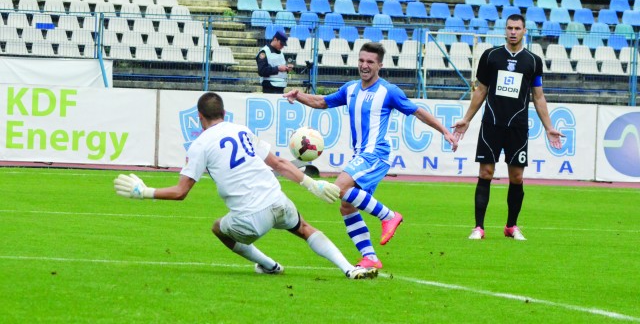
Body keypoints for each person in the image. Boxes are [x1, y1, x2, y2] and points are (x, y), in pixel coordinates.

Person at [113, 92, 378, 280]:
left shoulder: (200, 144)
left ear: (199, 117)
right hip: (278, 200)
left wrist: (143, 192)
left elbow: (181, 192)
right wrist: (312, 185)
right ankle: (348, 268)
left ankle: (270, 265)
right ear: (224, 113)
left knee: (218, 228)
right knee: (305, 228)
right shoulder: (241, 130)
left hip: (250, 219)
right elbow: (278, 163)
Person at [284, 42, 459, 269]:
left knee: (341, 188)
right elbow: (322, 102)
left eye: (370, 62)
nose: (364, 66)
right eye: (361, 60)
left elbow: (418, 112)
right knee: (347, 205)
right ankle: (370, 257)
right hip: (362, 154)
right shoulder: (351, 89)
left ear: (380, 65)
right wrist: (299, 96)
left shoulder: (389, 91)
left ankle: (389, 216)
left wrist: (445, 131)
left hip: (376, 153)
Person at [452, 14, 564, 241]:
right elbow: (481, 90)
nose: (513, 32)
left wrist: (549, 127)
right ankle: (479, 228)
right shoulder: (491, 56)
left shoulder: (533, 61)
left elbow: (538, 97)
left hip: (518, 127)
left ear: (524, 31)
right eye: (509, 28)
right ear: (505, 30)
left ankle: (511, 226)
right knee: (486, 173)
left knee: (517, 177)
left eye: (517, 28)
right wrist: (467, 119)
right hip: (492, 123)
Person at [256, 30, 294, 94]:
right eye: (281, 44)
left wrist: (286, 68)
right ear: (275, 39)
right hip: (269, 87)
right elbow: (262, 71)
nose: (282, 46)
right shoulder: (264, 52)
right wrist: (278, 68)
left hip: (280, 86)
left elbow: (279, 67)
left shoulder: (281, 53)